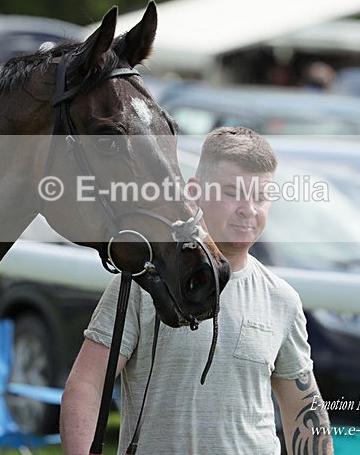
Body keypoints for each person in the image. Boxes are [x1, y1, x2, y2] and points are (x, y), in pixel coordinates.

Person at [60, 127, 334, 454]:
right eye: (232, 192)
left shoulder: (281, 299)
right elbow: (86, 386)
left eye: (261, 196)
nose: (249, 208)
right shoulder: (144, 283)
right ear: (194, 192)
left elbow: (304, 410)